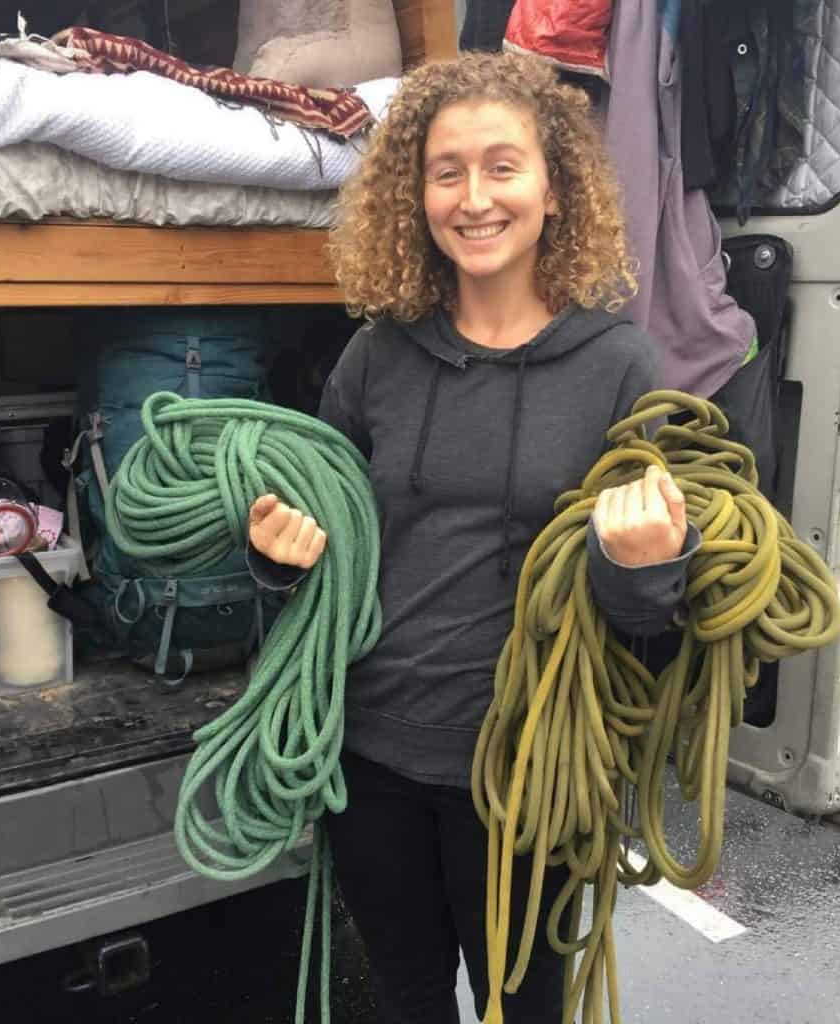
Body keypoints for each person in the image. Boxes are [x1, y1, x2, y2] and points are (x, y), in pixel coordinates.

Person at [247, 51, 699, 1024]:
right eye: (446, 171)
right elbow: (329, 551)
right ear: (416, 195)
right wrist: (278, 558)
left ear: (553, 184)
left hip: (528, 767)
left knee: (521, 998)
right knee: (408, 992)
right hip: (371, 757)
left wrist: (644, 566)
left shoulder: (619, 366)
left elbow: (643, 627)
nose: (474, 197)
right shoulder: (376, 353)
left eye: (502, 166)